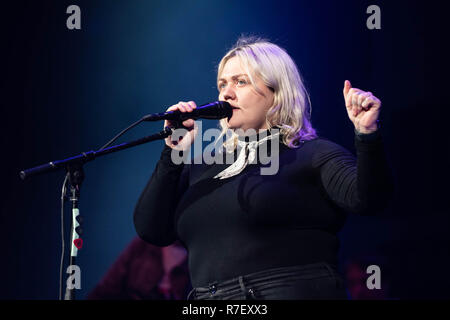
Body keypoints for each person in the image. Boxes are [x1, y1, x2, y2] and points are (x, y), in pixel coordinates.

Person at [133, 36, 394, 300]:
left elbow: (370, 199)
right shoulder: (202, 167)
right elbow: (151, 229)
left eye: (241, 81)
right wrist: (173, 153)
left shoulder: (312, 154)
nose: (226, 93)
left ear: (277, 92)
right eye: (222, 84)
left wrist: (367, 135)